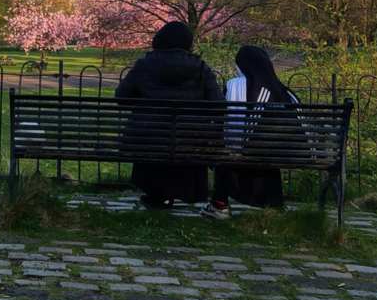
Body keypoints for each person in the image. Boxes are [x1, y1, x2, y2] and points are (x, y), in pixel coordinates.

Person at [115, 20, 223, 208]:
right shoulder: (200, 67)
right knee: (185, 137)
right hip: (190, 138)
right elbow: (218, 105)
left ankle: (157, 195)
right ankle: (180, 192)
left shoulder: (145, 64)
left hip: (149, 139)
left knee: (154, 135)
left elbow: (121, 97)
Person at [202, 45, 296, 220]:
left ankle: (219, 204)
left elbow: (227, 126)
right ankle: (273, 204)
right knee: (260, 148)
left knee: (229, 149)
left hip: (245, 151)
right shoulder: (283, 91)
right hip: (283, 154)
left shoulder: (235, 86)